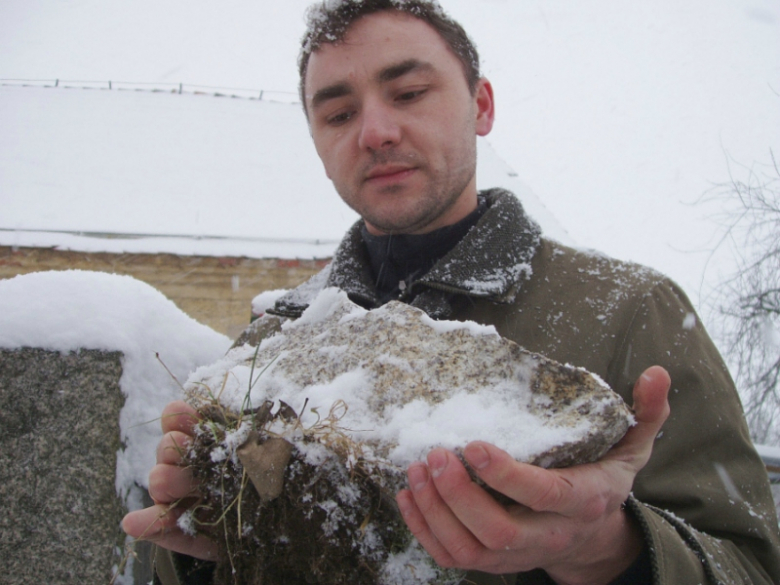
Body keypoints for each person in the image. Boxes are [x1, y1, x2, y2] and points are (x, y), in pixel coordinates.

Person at [123, 1, 780, 583]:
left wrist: (608, 552)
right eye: (338, 112)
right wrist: (195, 541)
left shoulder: (630, 310)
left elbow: (752, 563)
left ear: (482, 105)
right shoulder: (271, 339)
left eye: (408, 92)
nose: (374, 131)